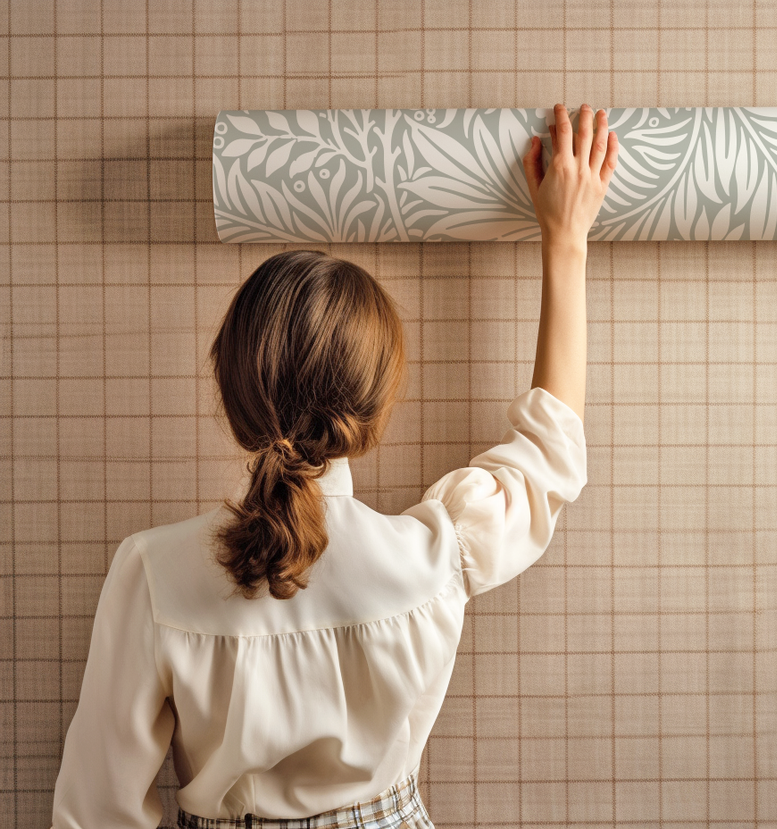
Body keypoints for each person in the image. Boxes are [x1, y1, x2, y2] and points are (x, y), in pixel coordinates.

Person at [49, 103, 619, 829]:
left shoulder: (151, 574)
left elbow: (95, 813)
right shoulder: (438, 556)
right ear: (373, 411)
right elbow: (549, 452)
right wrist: (566, 239)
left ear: (231, 388)